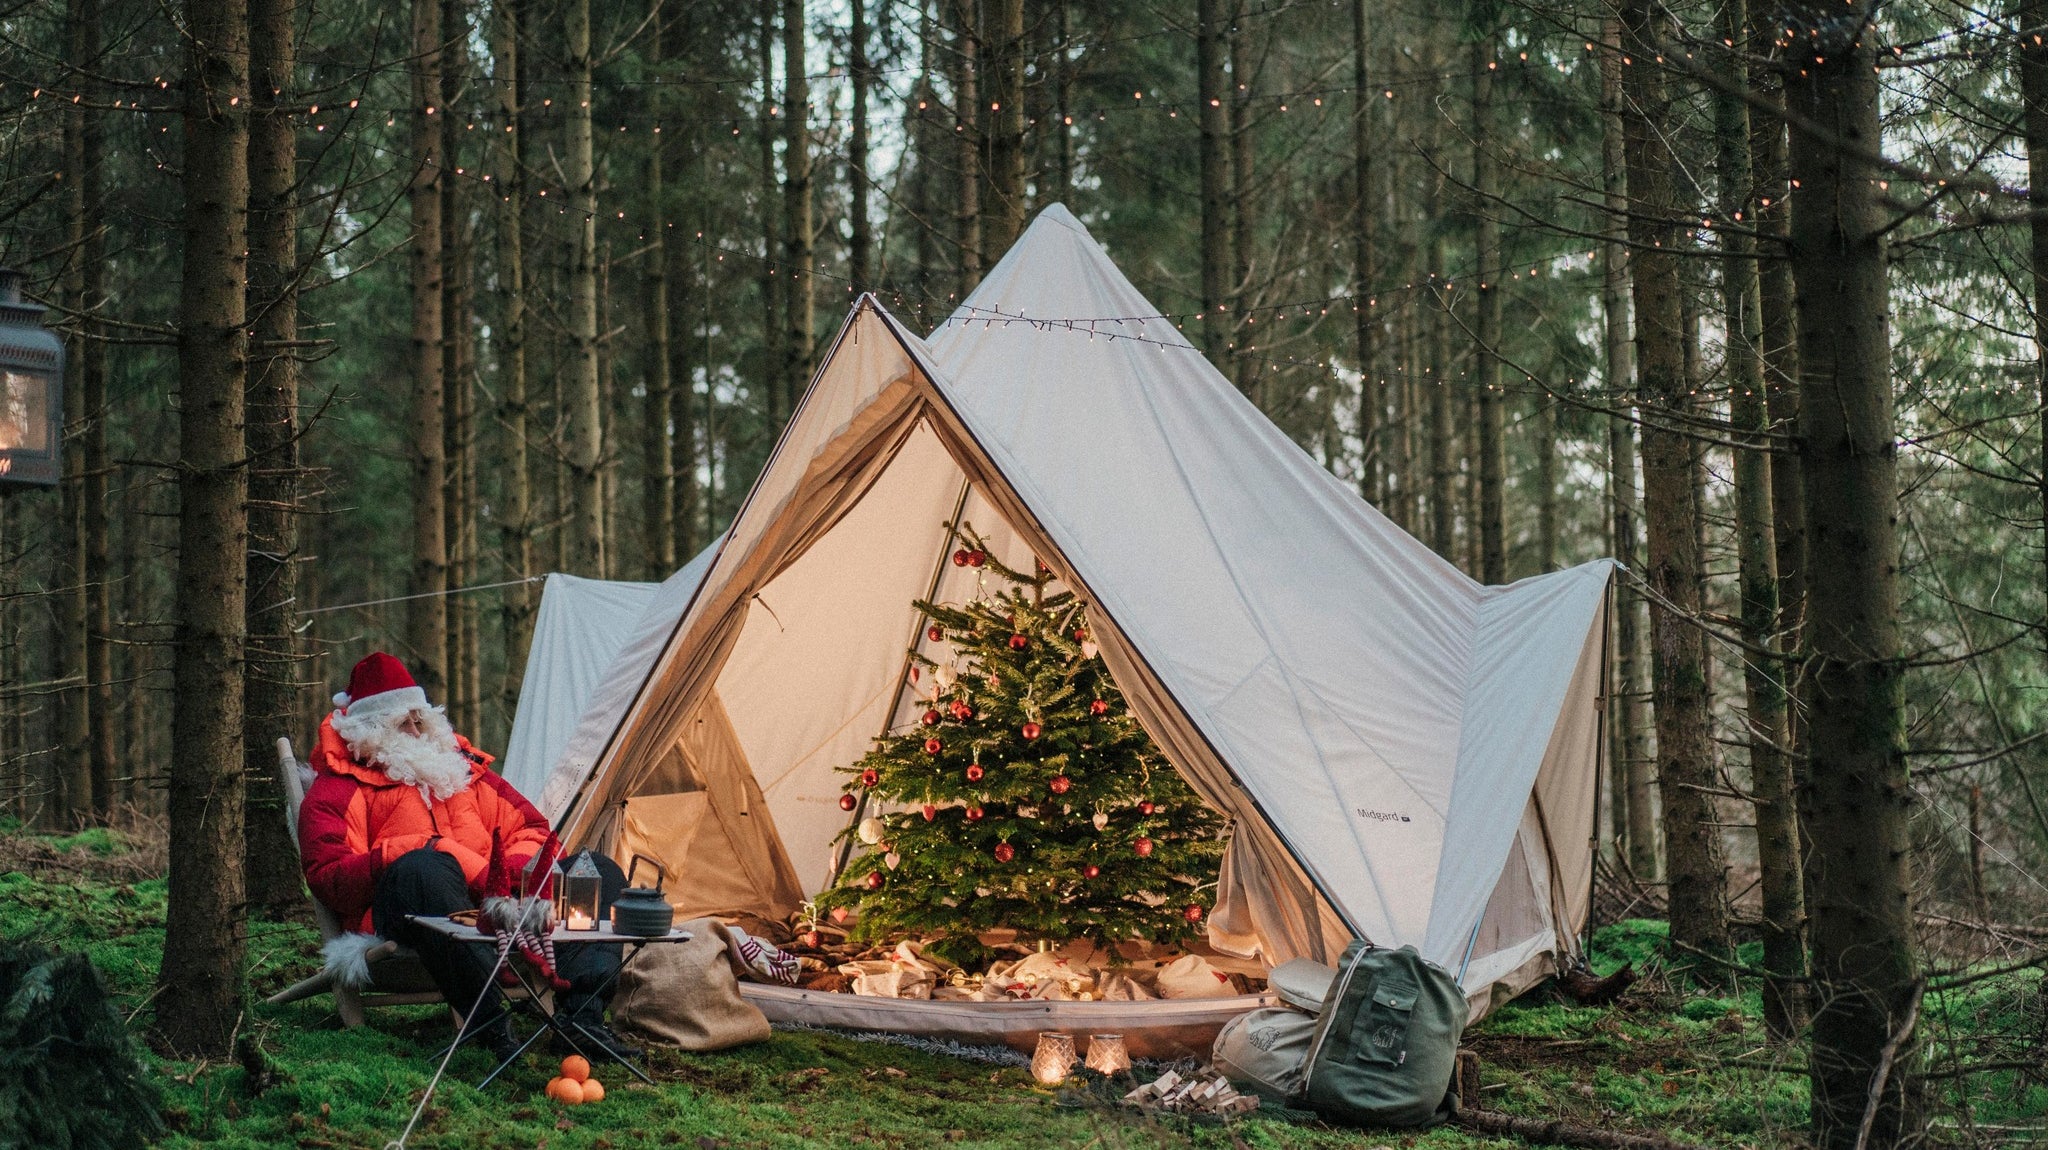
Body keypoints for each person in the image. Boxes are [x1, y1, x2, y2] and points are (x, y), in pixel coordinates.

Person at [298, 651, 639, 1062]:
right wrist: (413, 850)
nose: (416, 730)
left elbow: (535, 834)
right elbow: (330, 877)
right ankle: (491, 1022)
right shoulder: (340, 788)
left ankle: (582, 1020)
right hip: (406, 915)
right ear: (368, 731)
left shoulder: (466, 773)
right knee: (425, 867)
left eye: (419, 720)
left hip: (497, 910)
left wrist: (501, 875)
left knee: (595, 870)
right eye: (401, 723)